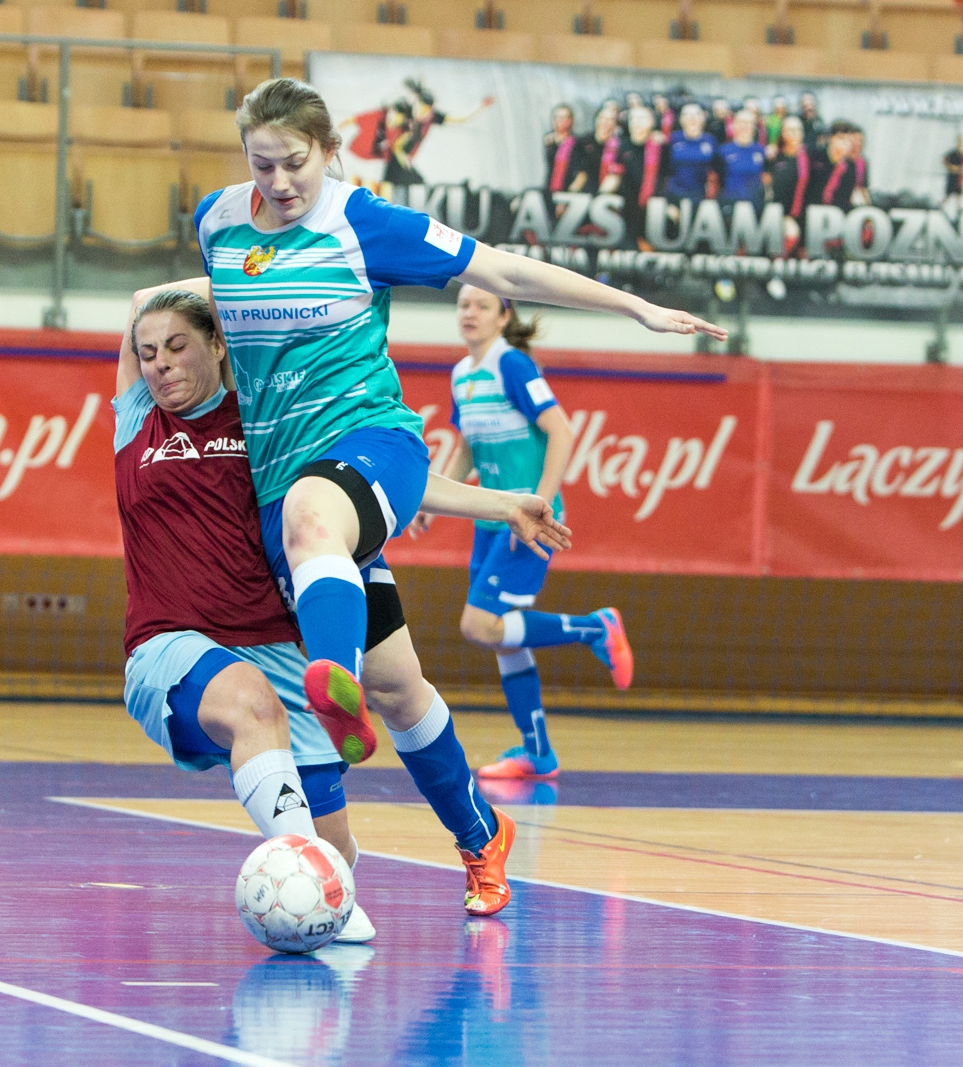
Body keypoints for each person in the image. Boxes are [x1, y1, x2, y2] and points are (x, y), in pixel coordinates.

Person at [155, 76, 723, 915]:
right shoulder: (217, 222)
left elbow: (499, 267)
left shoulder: (362, 222)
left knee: (320, 521)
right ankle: (480, 832)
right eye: (262, 164)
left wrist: (634, 307)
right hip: (276, 481)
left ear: (332, 153)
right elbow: (219, 323)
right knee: (402, 688)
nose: (279, 184)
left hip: (371, 443)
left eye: (296, 164)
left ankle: (329, 676)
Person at [117, 287, 572, 918]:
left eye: (177, 346)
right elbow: (148, 299)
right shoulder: (140, 413)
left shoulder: (267, 413)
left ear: (219, 348)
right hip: (241, 617)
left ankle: (481, 838)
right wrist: (262, 265)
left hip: (319, 560)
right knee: (333, 850)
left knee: (399, 690)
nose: (161, 362)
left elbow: (377, 477)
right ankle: (337, 745)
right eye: (149, 352)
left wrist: (501, 503)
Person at [409, 285, 634, 781]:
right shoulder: (463, 373)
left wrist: (541, 505)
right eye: (463, 304)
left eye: (481, 306)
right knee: (505, 637)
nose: (469, 313)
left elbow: (562, 430)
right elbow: (469, 441)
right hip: (492, 520)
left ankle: (595, 627)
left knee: (479, 626)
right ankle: (538, 754)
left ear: (503, 316)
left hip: (529, 521)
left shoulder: (512, 364)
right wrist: (434, 497)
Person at [617, 103, 667, 245]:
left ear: (652, 122)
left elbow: (669, 176)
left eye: (642, 118)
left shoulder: (661, 147)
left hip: (654, 209)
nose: (637, 122)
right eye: (633, 118)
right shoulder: (620, 146)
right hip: (625, 210)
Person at [769, 114, 811, 255]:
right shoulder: (775, 157)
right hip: (778, 216)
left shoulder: (809, 158)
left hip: (804, 217)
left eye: (798, 130)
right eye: (790, 130)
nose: (794, 134)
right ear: (783, 133)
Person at [715, 107, 767, 216]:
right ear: (734, 125)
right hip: (729, 208)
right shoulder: (723, 151)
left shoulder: (762, 151)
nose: (746, 126)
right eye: (742, 122)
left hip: (755, 208)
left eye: (749, 123)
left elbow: (766, 180)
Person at [665, 101, 717, 207]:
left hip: (701, 197)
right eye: (687, 114)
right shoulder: (671, 139)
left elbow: (717, 170)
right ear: (680, 119)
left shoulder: (711, 141)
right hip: (675, 196)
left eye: (696, 114)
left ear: (703, 117)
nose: (692, 118)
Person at [942, 134, 963, 214]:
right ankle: (941, 209)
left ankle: (959, 212)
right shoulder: (951, 154)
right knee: (948, 195)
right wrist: (951, 167)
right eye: (958, 141)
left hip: (959, 178)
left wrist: (958, 169)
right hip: (952, 177)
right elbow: (945, 161)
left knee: (959, 196)